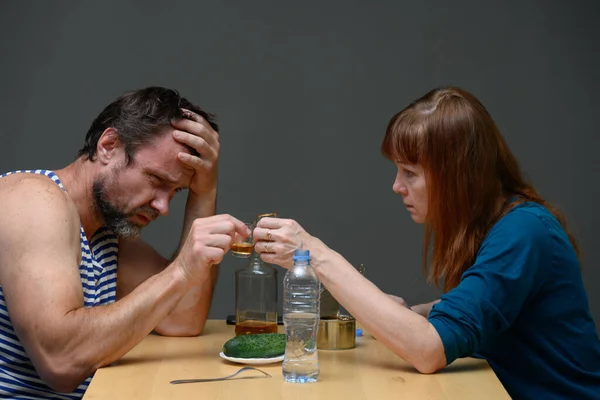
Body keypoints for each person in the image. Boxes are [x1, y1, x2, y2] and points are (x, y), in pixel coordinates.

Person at [252, 87, 600, 399]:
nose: (397, 186)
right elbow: (489, 303)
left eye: (410, 173)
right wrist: (417, 313)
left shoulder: (524, 231)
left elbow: (428, 350)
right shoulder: (496, 222)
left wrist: (315, 254)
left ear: (457, 176)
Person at [0, 86, 249, 399]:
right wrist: (180, 272)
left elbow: (181, 318)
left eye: (175, 192)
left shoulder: (104, 235)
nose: (163, 207)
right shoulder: (32, 198)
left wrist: (204, 192)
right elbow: (61, 361)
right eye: (157, 180)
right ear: (109, 146)